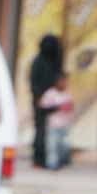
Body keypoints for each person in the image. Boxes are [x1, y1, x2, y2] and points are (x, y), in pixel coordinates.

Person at [27, 33, 64, 169]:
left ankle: (53, 158)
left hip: (55, 100)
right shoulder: (38, 61)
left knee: (54, 130)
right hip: (40, 101)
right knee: (40, 130)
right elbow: (33, 82)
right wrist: (38, 98)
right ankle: (39, 158)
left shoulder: (56, 60)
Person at [38, 73, 73, 171]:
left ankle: (62, 161)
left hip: (65, 124)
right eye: (62, 81)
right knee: (52, 145)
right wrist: (57, 108)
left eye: (65, 82)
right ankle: (52, 164)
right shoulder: (50, 93)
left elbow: (71, 106)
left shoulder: (67, 94)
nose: (64, 84)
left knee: (64, 145)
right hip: (53, 124)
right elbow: (42, 108)